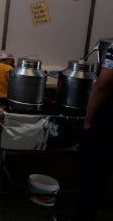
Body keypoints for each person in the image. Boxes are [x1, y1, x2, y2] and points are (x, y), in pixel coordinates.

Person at [54, 45, 113, 221]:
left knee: (94, 170)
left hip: (107, 122)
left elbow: (103, 85)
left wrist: (88, 120)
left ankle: (84, 216)